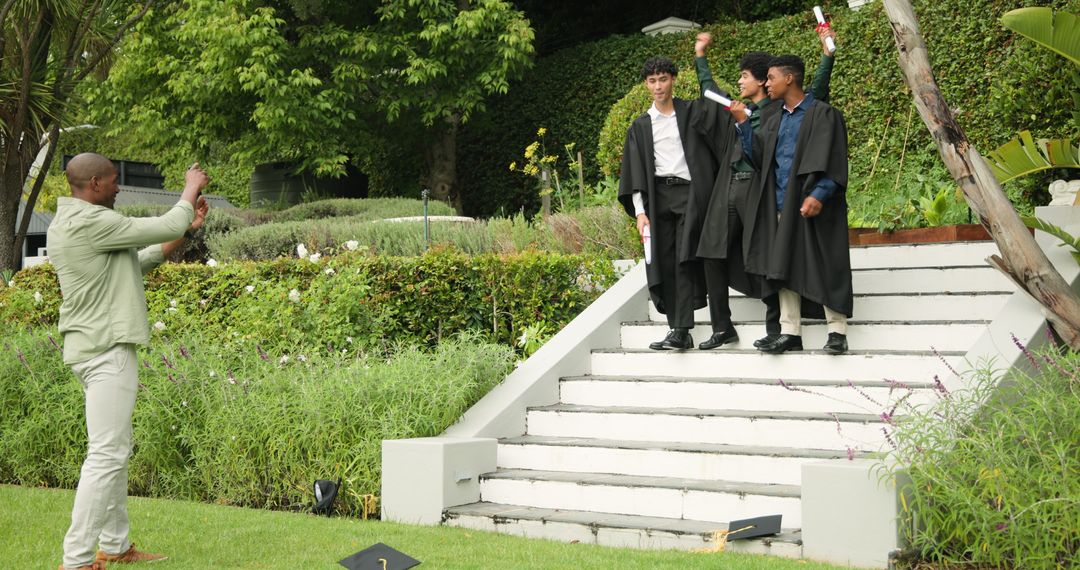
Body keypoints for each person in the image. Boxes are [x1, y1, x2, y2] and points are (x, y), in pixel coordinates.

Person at [49, 153, 209, 570]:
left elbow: (136, 261)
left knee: (113, 448)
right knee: (106, 454)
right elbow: (166, 222)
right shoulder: (92, 221)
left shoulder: (74, 222)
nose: (120, 187)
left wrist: (184, 231)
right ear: (96, 184)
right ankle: (78, 560)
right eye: (114, 181)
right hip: (107, 350)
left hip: (91, 347)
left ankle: (115, 546)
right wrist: (191, 186)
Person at [692, 27, 838, 349]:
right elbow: (709, 91)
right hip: (730, 186)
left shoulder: (780, 109)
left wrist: (827, 55)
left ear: (764, 80)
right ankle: (721, 326)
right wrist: (700, 56)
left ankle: (777, 328)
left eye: (746, 76)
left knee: (765, 253)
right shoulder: (737, 109)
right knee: (711, 250)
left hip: (761, 191)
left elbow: (814, 92)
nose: (740, 82)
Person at [733, 55, 852, 355]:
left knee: (825, 260)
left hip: (815, 203)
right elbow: (760, 160)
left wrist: (820, 194)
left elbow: (834, 158)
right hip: (780, 202)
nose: (767, 84)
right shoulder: (774, 120)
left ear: (790, 79)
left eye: (771, 78)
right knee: (782, 264)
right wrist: (745, 126)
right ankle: (790, 332)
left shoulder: (823, 114)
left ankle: (837, 330)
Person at [617, 56, 719, 350]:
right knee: (665, 260)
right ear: (646, 85)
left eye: (663, 79)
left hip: (690, 194)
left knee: (684, 257)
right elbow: (634, 172)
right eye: (652, 81)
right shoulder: (640, 126)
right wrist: (640, 212)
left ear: (673, 79)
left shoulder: (691, 113)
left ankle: (681, 328)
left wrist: (702, 58)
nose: (658, 86)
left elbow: (714, 105)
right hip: (657, 196)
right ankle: (679, 330)